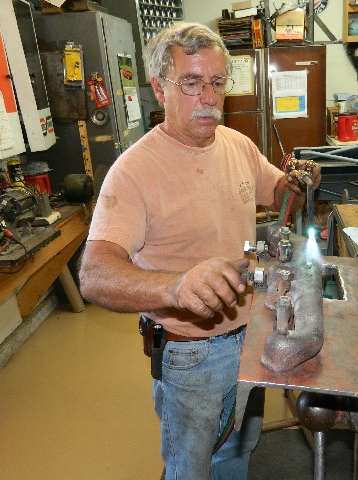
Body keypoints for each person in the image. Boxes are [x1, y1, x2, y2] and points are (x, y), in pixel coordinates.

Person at [79, 22, 321, 480]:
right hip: (193, 356)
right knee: (192, 468)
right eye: (191, 83)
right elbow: (94, 274)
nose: (208, 97)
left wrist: (300, 182)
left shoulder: (237, 144)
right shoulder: (134, 171)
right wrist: (174, 287)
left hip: (252, 338)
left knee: (238, 452)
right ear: (159, 88)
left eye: (216, 83)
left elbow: (276, 193)